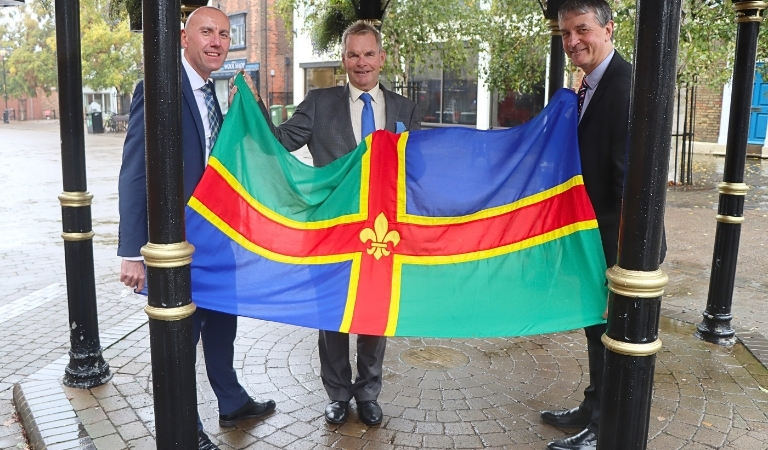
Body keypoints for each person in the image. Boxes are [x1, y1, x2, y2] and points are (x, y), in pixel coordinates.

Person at [117, 7, 275, 450]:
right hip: (180, 245)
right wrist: (132, 251)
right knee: (183, 339)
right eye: (207, 32)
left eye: (224, 34)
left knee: (224, 323)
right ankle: (186, 425)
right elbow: (134, 172)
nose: (217, 41)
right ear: (183, 36)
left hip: (217, 242)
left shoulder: (216, 93)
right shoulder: (158, 88)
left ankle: (232, 401)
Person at [254, 20, 420, 426]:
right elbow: (280, 140)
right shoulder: (319, 101)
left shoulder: (404, 109)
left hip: (382, 232)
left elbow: (416, 168)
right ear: (342, 59)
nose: (361, 63)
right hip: (330, 229)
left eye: (368, 54)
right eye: (352, 54)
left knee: (374, 313)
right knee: (331, 314)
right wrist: (253, 105)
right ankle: (337, 394)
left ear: (382, 58)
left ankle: (368, 392)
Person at [539, 1, 629, 449]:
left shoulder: (624, 86)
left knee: (612, 336)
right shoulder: (590, 85)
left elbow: (629, 184)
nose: (573, 42)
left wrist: (624, 269)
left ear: (608, 29)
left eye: (582, 30)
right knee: (596, 330)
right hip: (591, 240)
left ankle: (604, 427)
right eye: (565, 34)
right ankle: (593, 407)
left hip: (618, 247)